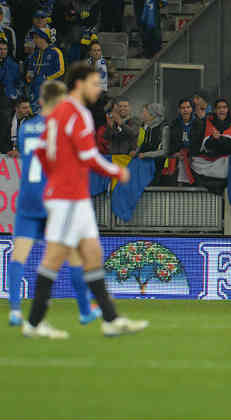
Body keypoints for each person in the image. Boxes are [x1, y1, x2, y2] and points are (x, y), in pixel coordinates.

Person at [25, 62, 147, 339]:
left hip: (73, 196)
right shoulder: (77, 113)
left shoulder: (57, 113)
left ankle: (111, 319)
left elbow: (43, 151)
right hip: (68, 197)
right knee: (54, 257)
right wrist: (116, 170)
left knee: (92, 254)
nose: (98, 88)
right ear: (80, 84)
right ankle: (34, 323)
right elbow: (88, 155)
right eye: (94, 83)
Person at [8, 80, 101, 327]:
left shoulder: (27, 126)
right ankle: (84, 310)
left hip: (28, 197)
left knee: (19, 255)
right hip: (53, 199)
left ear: (40, 101)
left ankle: (15, 310)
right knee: (74, 255)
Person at [25, 28, 64, 113]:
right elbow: (30, 69)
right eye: (34, 38)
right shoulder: (34, 54)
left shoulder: (55, 52)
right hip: (34, 93)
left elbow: (61, 70)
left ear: (44, 38)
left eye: (36, 37)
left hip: (49, 93)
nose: (34, 40)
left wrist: (46, 79)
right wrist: (29, 76)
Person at [168, 97, 204, 184]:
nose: (185, 110)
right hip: (178, 154)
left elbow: (199, 143)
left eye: (188, 107)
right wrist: (176, 152)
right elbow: (171, 142)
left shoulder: (199, 124)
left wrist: (188, 154)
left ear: (192, 109)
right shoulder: (174, 124)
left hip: (194, 154)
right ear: (179, 110)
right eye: (183, 108)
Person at [134, 102, 169, 183]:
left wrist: (145, 155)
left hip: (160, 167)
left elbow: (164, 151)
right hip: (147, 165)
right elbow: (145, 144)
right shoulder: (150, 127)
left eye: (148, 113)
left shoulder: (165, 128)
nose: (145, 115)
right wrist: (136, 153)